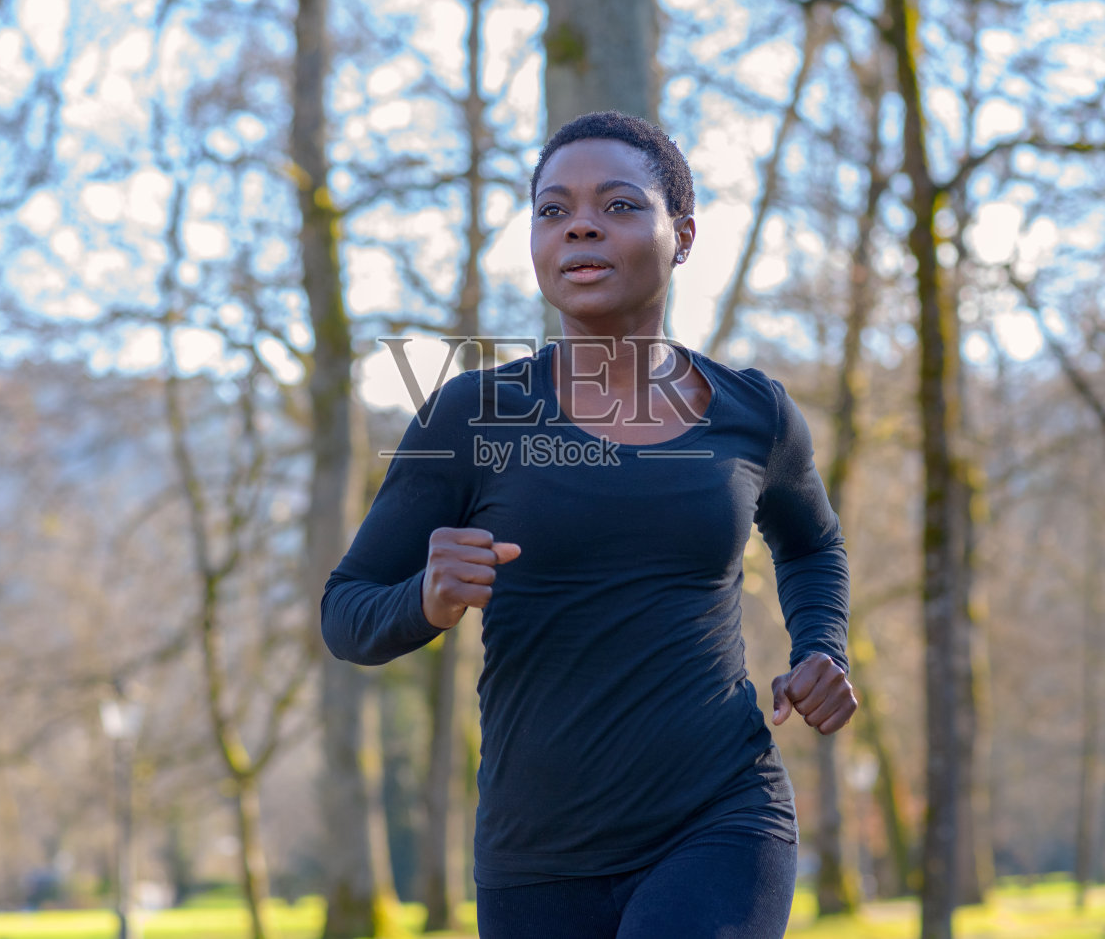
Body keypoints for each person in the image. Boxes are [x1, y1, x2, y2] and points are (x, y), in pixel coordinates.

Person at [321, 111, 857, 939]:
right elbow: (346, 611)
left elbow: (813, 543)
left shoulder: (754, 412)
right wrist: (424, 600)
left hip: (720, 816)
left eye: (617, 205)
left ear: (680, 236)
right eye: (552, 209)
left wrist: (822, 645)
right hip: (537, 854)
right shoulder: (476, 414)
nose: (579, 223)